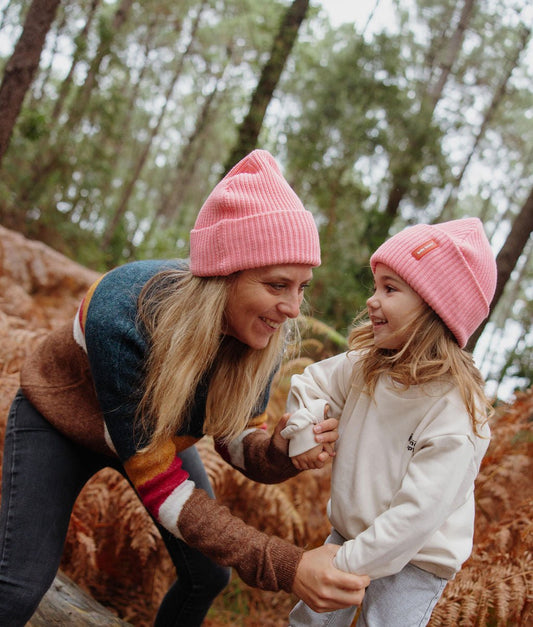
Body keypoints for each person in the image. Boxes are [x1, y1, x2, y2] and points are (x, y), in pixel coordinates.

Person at [0, 150, 369, 627]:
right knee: (19, 585)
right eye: (278, 285)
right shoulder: (125, 311)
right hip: (62, 422)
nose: (293, 308)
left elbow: (237, 441)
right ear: (224, 276)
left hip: (155, 437)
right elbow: (161, 485)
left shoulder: (263, 333)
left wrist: (280, 451)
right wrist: (288, 565)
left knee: (208, 576)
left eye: (302, 287)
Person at [281, 218, 497, 626]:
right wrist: (305, 433)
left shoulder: (456, 414)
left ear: (436, 308)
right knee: (310, 622)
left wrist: (342, 563)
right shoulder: (368, 368)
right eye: (376, 285)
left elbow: (414, 518)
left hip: (417, 560)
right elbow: (312, 383)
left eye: (390, 289)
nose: (372, 300)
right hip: (348, 533)